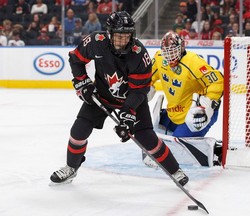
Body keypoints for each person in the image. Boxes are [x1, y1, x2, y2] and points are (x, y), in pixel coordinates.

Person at [50, 11, 189, 187]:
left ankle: (175, 170)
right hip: (102, 95)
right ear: (109, 34)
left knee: (147, 137)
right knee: (78, 131)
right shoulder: (96, 42)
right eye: (119, 36)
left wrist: (128, 114)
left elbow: (139, 91)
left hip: (132, 100)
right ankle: (71, 167)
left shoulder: (139, 54)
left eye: (127, 36)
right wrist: (82, 83)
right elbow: (75, 59)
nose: (123, 41)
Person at [149, 31, 223, 139]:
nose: (170, 57)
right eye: (167, 53)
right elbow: (147, 76)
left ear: (182, 47)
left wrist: (206, 106)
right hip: (175, 113)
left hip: (197, 115)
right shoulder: (159, 58)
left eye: (173, 52)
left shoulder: (193, 62)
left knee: (176, 147)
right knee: (153, 134)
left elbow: (218, 81)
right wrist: (143, 89)